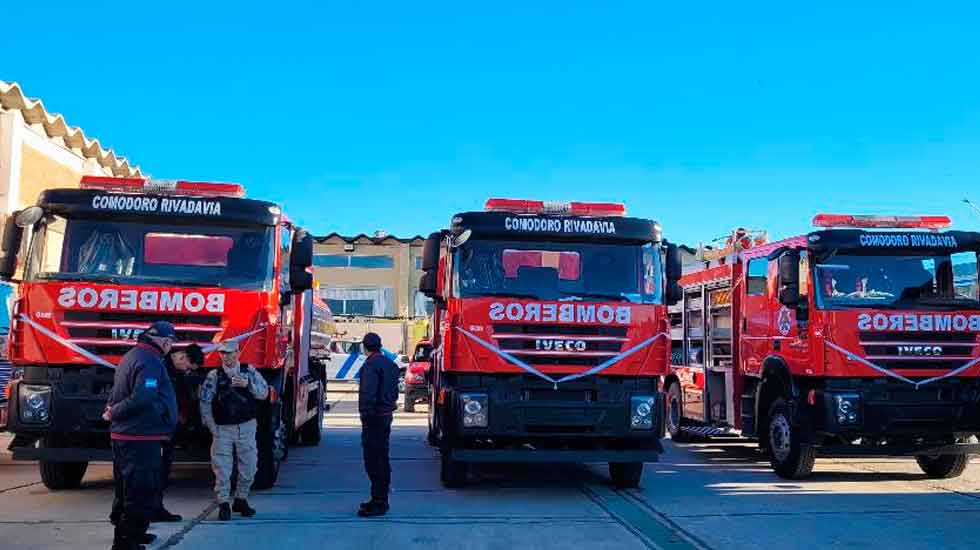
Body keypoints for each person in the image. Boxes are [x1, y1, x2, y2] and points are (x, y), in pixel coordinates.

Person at [105, 321, 178, 550]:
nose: (171, 347)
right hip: (139, 437)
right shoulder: (151, 362)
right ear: (165, 341)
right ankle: (126, 541)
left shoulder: (132, 356)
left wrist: (112, 411)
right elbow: (142, 398)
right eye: (171, 342)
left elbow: (118, 391)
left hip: (126, 435)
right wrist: (113, 413)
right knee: (140, 491)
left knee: (126, 488)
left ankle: (130, 533)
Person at [199, 340, 269, 521]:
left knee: (250, 466)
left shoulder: (249, 371)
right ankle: (223, 503)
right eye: (223, 353)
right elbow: (205, 402)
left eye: (230, 353)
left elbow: (263, 393)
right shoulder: (214, 375)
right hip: (223, 428)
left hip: (246, 426)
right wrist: (212, 426)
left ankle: (241, 499)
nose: (227, 357)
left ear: (238, 353)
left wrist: (248, 385)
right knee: (222, 469)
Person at [154, 343, 206, 523]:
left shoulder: (174, 372)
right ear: (182, 357)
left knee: (162, 473)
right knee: (154, 473)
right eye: (188, 368)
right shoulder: (160, 369)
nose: (187, 371)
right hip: (157, 431)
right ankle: (151, 510)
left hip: (167, 432)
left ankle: (157, 508)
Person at [357, 332, 399, 517]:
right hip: (386, 415)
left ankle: (378, 501)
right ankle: (380, 498)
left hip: (373, 417)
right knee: (383, 457)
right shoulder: (391, 365)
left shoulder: (370, 365)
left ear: (365, 347)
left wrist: (365, 414)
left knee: (373, 460)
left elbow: (368, 393)